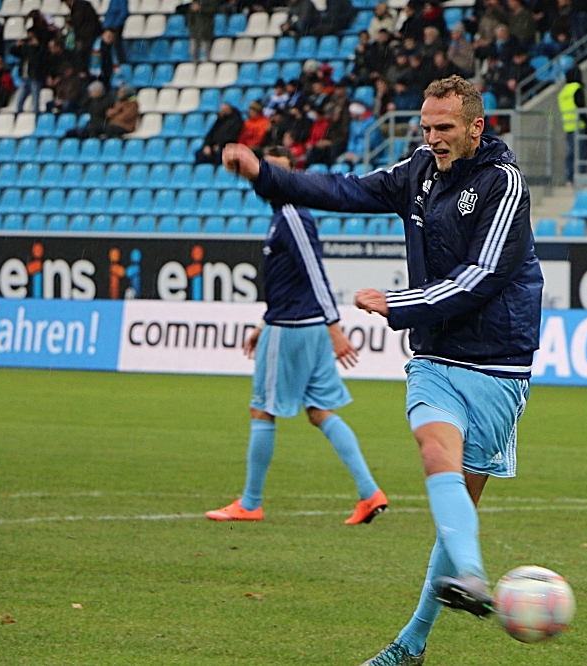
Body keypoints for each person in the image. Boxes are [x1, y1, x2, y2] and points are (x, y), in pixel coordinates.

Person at [221, 74, 542, 666]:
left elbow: (485, 275)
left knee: (460, 507)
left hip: (498, 361)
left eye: (444, 127)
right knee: (433, 451)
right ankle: (471, 575)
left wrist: (400, 304)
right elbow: (343, 189)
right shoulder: (418, 171)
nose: (432, 138)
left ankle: (412, 642)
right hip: (436, 357)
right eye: (425, 126)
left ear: (476, 126)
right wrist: (266, 176)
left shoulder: (504, 185)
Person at [206, 147, 389, 525]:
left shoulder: (290, 215)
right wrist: (262, 325)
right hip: (295, 325)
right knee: (320, 412)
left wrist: (335, 327)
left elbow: (315, 273)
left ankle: (251, 503)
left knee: (262, 409)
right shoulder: (284, 217)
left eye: (281, 172)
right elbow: (292, 283)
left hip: (294, 330)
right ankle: (370, 493)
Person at [558, 65, 587, 184]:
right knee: (581, 153)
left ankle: (569, 177)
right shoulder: (577, 88)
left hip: (568, 126)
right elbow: (581, 107)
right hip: (579, 125)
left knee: (571, 153)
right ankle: (580, 177)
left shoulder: (564, 91)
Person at [10, 30, 45, 114]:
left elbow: (39, 58)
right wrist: (17, 45)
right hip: (24, 78)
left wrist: (36, 46)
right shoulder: (26, 48)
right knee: (20, 99)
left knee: (35, 100)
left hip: (35, 78)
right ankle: (18, 114)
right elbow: (13, 51)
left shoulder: (40, 48)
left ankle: (36, 115)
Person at [65, 0, 103, 72]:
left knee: (81, 56)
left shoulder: (78, 7)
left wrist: (69, 23)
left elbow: (78, 23)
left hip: (87, 37)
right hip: (91, 35)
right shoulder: (85, 4)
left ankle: (83, 73)